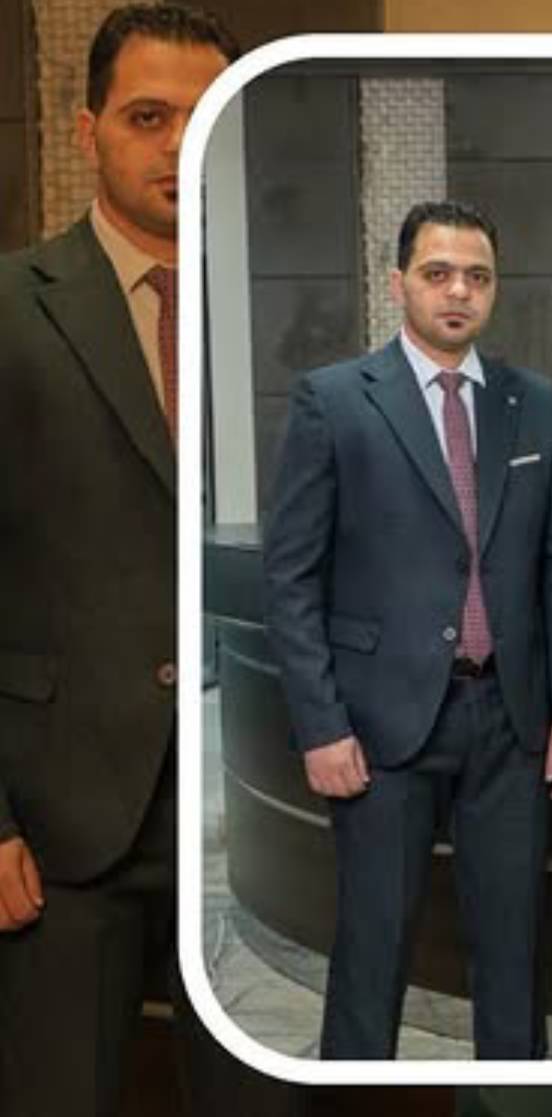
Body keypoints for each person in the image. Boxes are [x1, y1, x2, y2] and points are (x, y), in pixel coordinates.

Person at [0, 5, 304, 1112]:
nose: (181, 143)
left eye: (206, 115)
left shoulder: (298, 320)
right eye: (147, 116)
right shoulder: (13, 310)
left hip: (262, 819)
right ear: (88, 131)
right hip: (63, 823)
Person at [263, 200, 552, 1059]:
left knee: (515, 953)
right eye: (438, 273)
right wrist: (321, 725)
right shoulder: (335, 400)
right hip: (380, 724)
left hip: (512, 722)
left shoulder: (534, 404)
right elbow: (291, 579)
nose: (459, 292)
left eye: (477, 277)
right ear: (398, 283)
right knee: (373, 947)